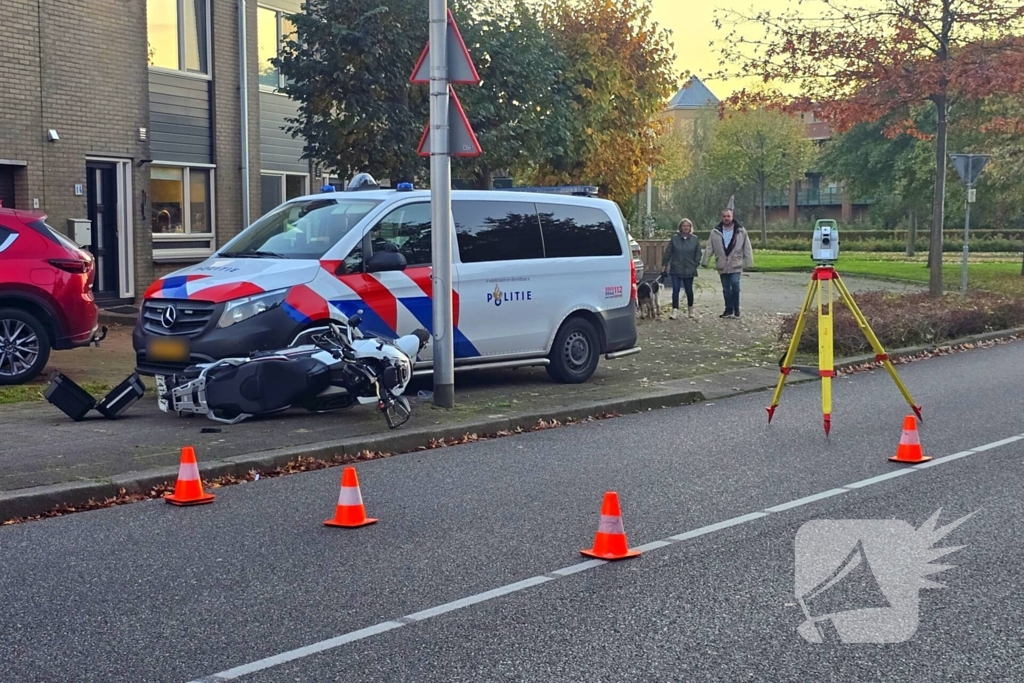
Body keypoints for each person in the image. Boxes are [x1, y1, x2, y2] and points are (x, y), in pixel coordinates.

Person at [701, 208, 754, 318]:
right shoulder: (715, 232)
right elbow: (709, 247)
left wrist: (749, 263)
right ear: (722, 217)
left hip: (735, 264)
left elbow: (747, 247)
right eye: (724, 216)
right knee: (726, 289)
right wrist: (705, 261)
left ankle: (736, 307)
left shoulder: (741, 231)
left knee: (735, 284)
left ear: (732, 217)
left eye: (728, 216)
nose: (726, 218)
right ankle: (728, 309)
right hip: (722, 264)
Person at [660, 218, 702, 319]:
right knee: (676, 290)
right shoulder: (674, 239)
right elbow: (668, 252)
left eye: (688, 226)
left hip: (689, 269)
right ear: (680, 227)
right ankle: (675, 310)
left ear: (690, 227)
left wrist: (694, 264)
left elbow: (698, 253)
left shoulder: (695, 239)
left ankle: (690, 309)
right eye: (684, 226)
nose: (686, 228)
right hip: (676, 268)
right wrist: (664, 265)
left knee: (689, 290)